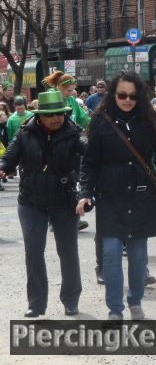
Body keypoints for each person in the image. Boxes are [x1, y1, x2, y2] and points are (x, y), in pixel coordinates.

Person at [76, 71, 156, 320]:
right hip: (110, 196)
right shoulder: (101, 122)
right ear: (113, 94)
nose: (127, 100)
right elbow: (89, 163)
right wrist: (85, 194)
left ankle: (135, 300)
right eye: (122, 95)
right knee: (112, 254)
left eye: (133, 96)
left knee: (138, 257)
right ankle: (115, 309)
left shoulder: (148, 121)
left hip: (141, 195)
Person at [0, 89, 85, 317]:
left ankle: (71, 300)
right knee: (34, 251)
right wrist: (2, 168)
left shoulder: (76, 133)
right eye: (51, 114)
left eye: (60, 113)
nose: (57, 118)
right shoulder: (24, 133)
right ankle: (36, 304)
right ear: (39, 116)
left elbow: (90, 154)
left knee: (68, 251)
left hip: (65, 201)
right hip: (31, 202)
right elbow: (9, 158)